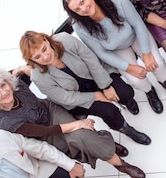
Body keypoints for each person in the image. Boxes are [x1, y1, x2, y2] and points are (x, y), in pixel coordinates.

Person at [0, 68, 145, 178]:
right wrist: (79, 123)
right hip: (44, 135)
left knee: (82, 136)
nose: (4, 92)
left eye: (3, 85)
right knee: (78, 139)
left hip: (51, 112)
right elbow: (44, 130)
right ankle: (108, 147)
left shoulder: (17, 85)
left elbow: (27, 68)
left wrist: (20, 70)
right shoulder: (3, 121)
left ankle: (121, 165)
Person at [62, 0, 166, 114]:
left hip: (135, 34)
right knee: (136, 80)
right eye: (77, 10)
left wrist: (146, 53)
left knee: (157, 64)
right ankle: (150, 92)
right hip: (115, 49)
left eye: (82, 2)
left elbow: (137, 23)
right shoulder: (79, 26)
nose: (83, 9)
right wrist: (129, 68)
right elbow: (101, 53)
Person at [19, 30, 151, 146]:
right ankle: (126, 129)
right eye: (37, 57)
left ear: (46, 40)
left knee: (125, 92)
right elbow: (66, 98)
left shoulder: (64, 39)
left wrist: (105, 86)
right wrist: (95, 96)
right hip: (78, 97)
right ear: (31, 60)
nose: (45, 56)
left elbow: (91, 60)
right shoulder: (38, 77)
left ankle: (128, 102)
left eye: (44, 49)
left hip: (94, 75)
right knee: (109, 112)